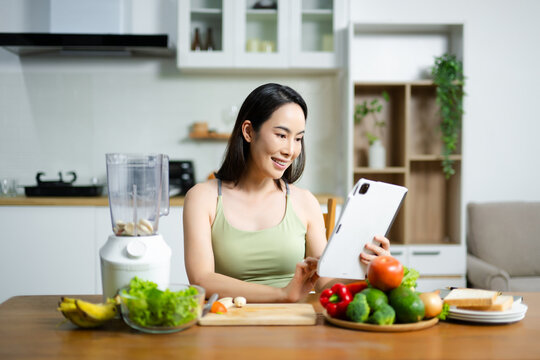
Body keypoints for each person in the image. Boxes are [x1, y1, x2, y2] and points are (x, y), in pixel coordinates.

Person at [183, 83, 391, 303]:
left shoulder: (304, 202)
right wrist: (282, 294)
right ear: (248, 131)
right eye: (282, 135)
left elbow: (325, 283)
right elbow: (201, 279)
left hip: (294, 326)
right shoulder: (202, 198)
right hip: (230, 321)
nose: (290, 150)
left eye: (298, 138)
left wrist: (371, 270)